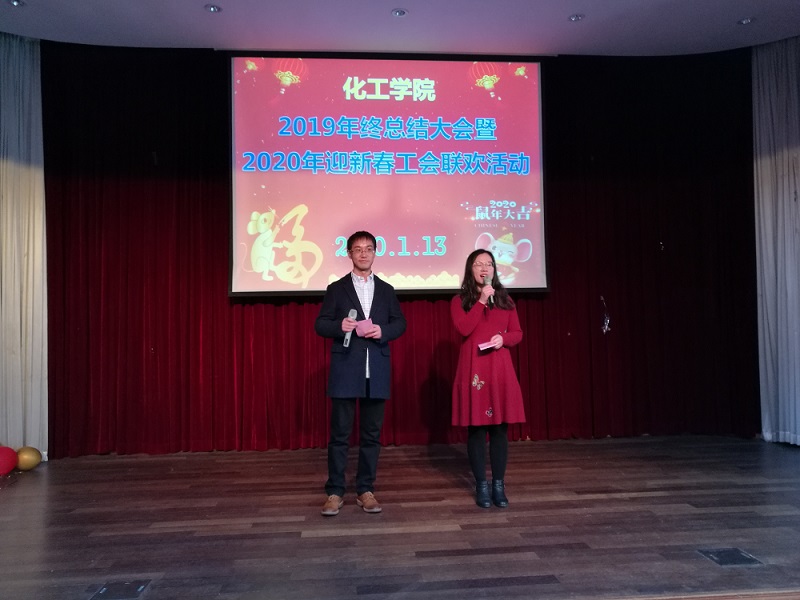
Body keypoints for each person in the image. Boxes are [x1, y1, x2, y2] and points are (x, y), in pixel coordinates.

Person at [315, 231, 407, 516]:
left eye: (368, 248)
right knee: (340, 435)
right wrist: (338, 326)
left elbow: (400, 323)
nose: (364, 253)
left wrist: (383, 331)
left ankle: (365, 489)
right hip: (346, 368)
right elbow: (320, 324)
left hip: (376, 368)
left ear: (375, 252)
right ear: (349, 254)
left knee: (371, 435)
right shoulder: (336, 288)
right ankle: (335, 492)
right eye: (358, 249)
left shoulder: (387, 289)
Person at [450, 249, 526, 508]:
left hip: (500, 369)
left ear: (494, 269)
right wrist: (481, 300)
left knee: (499, 430)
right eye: (478, 264)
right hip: (474, 370)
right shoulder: (460, 300)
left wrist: (503, 339)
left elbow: (517, 333)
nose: (484, 268)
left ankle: (498, 485)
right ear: (470, 269)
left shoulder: (505, 299)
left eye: (489, 264)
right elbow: (463, 328)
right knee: (477, 429)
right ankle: (481, 485)